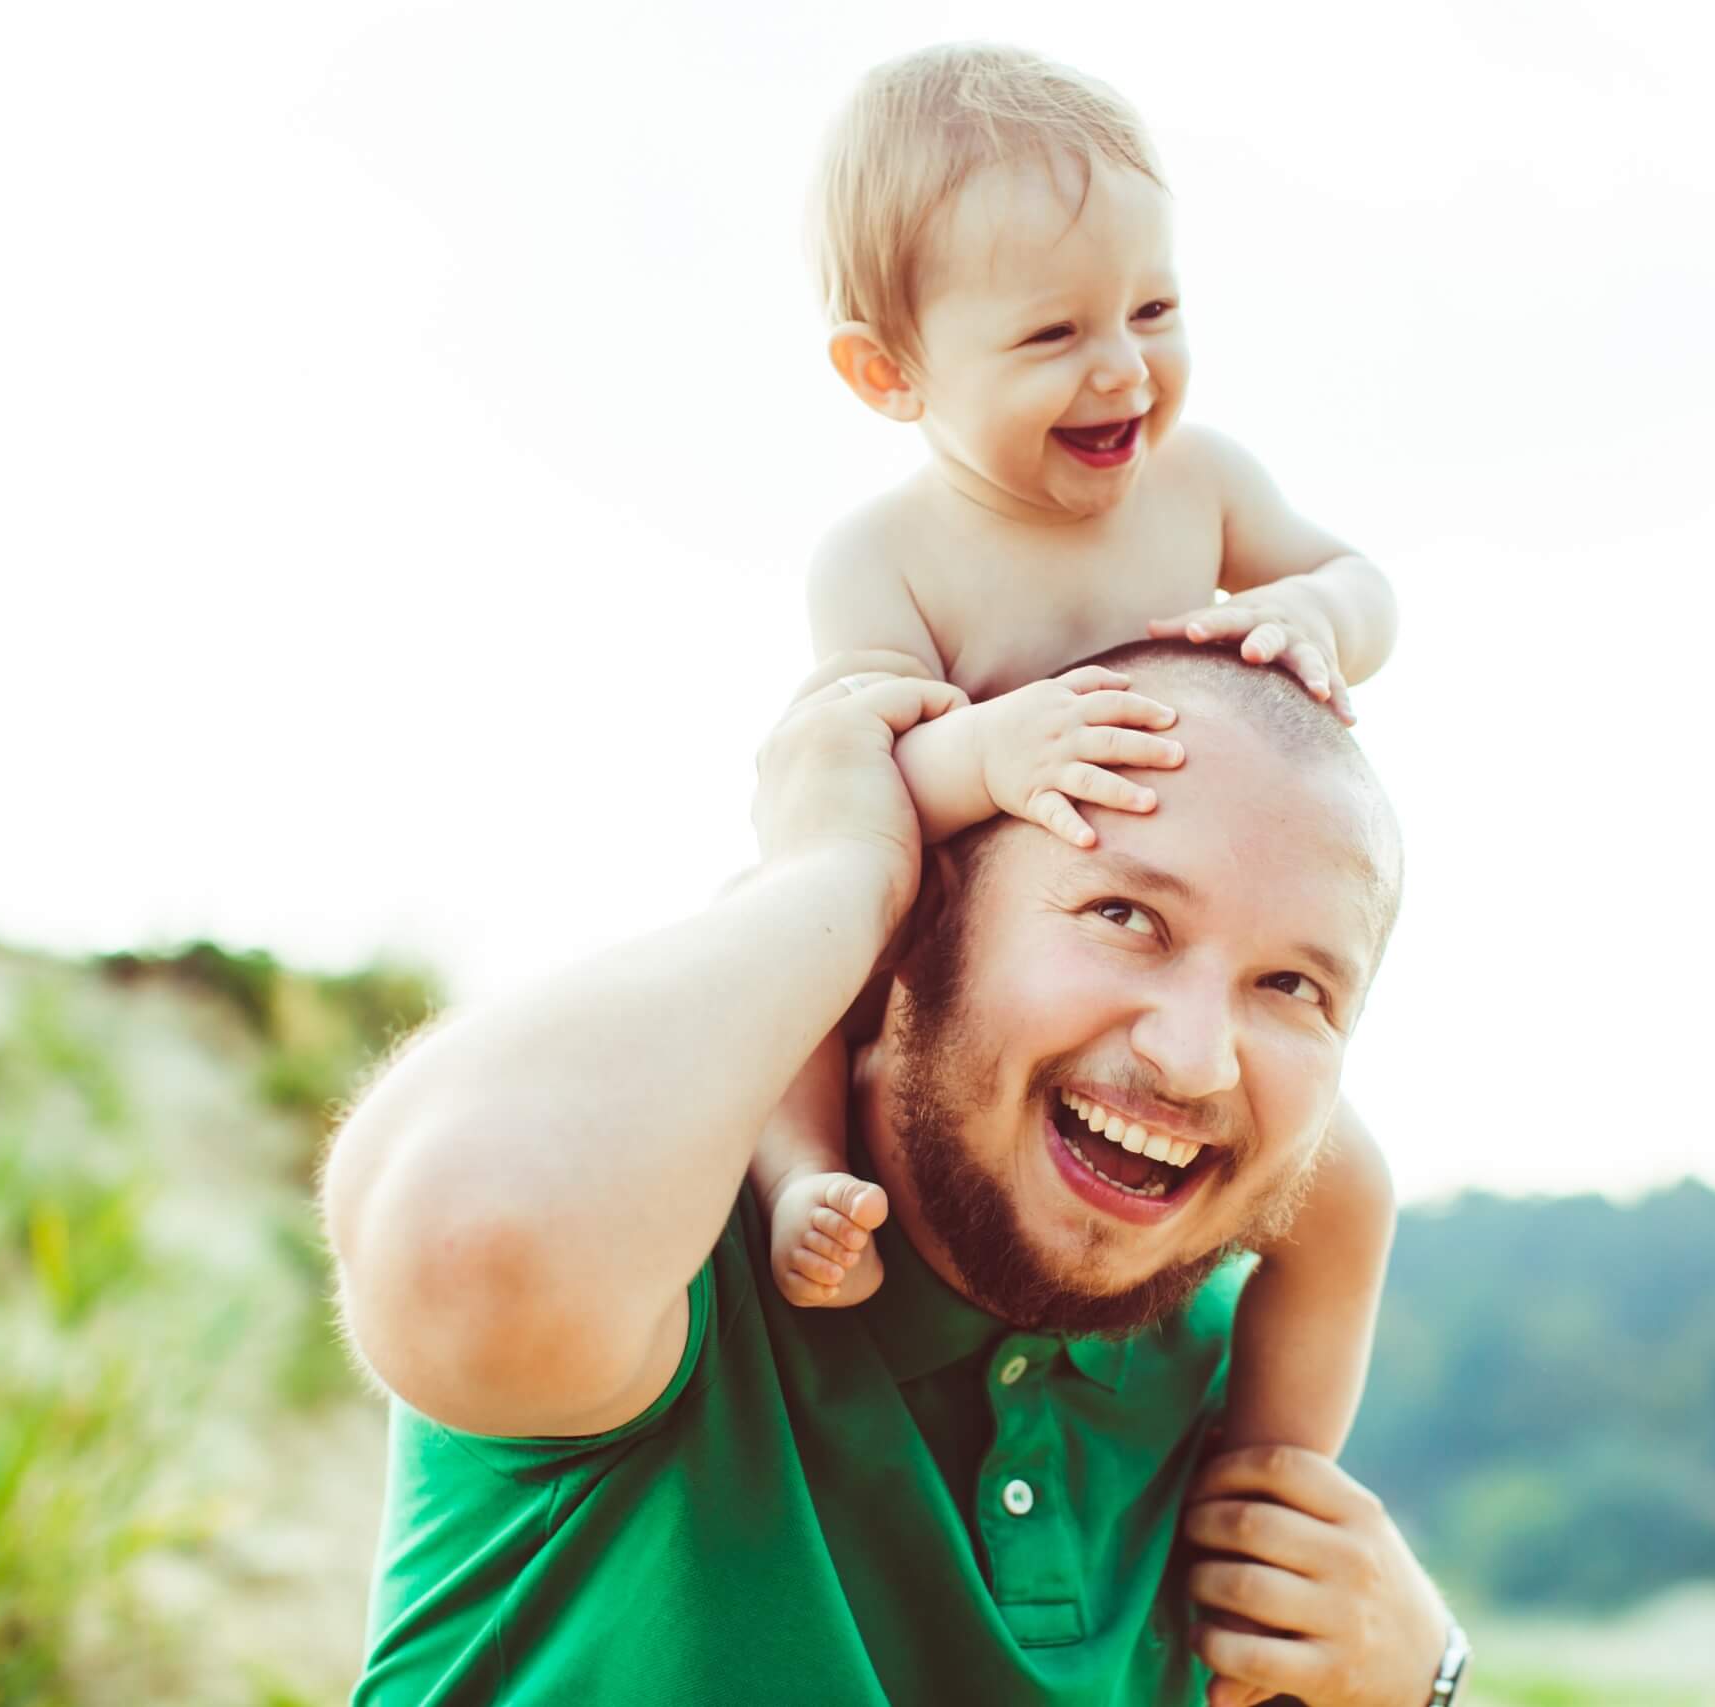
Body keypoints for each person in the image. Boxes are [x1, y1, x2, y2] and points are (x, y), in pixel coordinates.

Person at [323, 641, 1467, 1704]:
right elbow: (465, 1249)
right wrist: (842, 868)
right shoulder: (663, 1236)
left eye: (1295, 989)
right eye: (1123, 914)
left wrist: (1429, 1682)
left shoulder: (1242, 1385)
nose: (1194, 1055)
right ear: (923, 925)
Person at [754, 41, 1403, 1478]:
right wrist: (989, 745)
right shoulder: (886, 556)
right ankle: (796, 1168)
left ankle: (1275, 1475)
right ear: (889, 370)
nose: (1124, 365)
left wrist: (1312, 611)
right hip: (940, 940)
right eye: (1053, 336)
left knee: (1348, 1187)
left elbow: (1366, 583)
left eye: (1155, 308)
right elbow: (854, 781)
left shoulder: (1205, 481)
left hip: (1165, 924)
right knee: (789, 941)